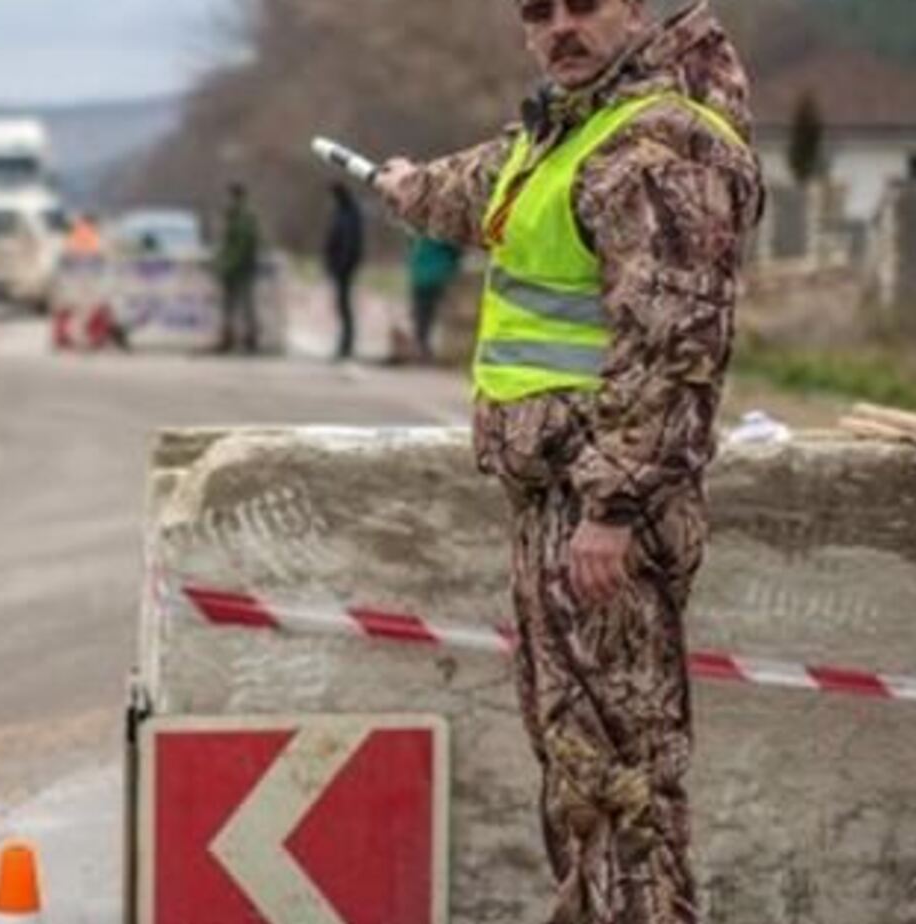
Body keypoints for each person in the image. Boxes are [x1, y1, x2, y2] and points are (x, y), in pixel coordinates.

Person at [373, 2, 763, 921]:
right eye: (538, 13)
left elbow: (674, 346)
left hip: (604, 519)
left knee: (626, 785)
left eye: (584, 6)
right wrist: (399, 185)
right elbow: (476, 192)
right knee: (580, 771)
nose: (560, 28)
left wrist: (613, 508)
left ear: (635, 9)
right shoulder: (568, 129)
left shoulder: (659, 145)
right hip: (557, 501)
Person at [213, 183, 263, 354]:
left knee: (244, 305)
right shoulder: (234, 215)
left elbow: (241, 247)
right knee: (231, 306)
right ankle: (230, 338)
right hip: (235, 268)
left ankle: (249, 339)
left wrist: (226, 265)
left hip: (241, 269)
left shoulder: (243, 217)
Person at [323, 182, 365, 361]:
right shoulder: (344, 214)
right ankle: (344, 344)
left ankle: (346, 345)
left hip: (344, 269)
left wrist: (340, 266)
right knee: (342, 307)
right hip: (341, 267)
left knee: (344, 307)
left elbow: (348, 245)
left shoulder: (349, 216)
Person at [407, 235, 462, 362]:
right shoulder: (443, 234)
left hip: (419, 276)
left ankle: (421, 347)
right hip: (437, 276)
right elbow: (455, 251)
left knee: (421, 315)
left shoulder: (420, 234)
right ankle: (426, 349)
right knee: (433, 314)